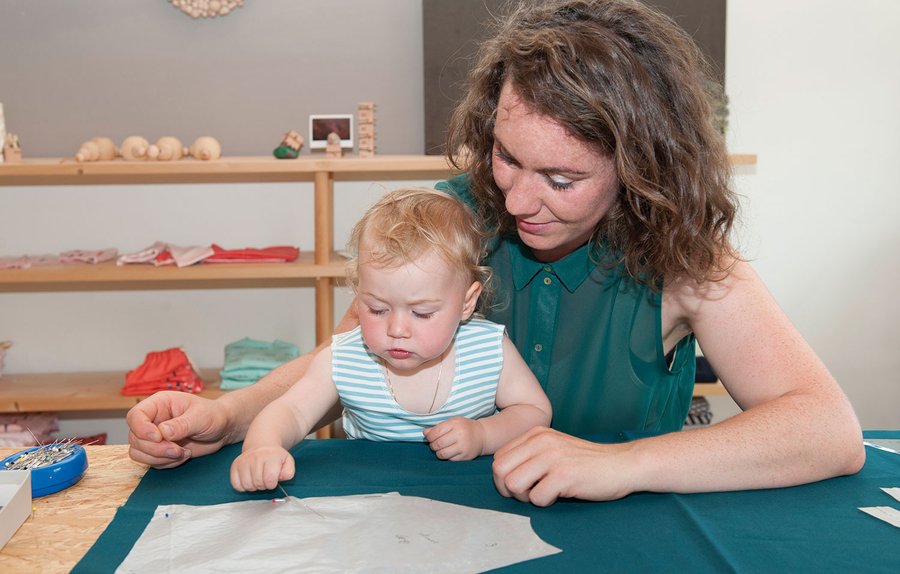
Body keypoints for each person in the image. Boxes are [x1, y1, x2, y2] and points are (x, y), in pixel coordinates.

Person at [127, 0, 864, 505]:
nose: (515, 201)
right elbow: (345, 355)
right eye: (508, 157)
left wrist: (623, 464)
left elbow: (827, 430)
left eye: (563, 178)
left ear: (641, 167)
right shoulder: (452, 214)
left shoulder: (681, 250)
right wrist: (227, 419)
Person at [229, 187, 551, 491]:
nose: (397, 329)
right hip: (368, 499)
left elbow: (535, 410)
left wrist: (483, 434)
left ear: (466, 303)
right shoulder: (344, 358)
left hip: (468, 499)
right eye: (377, 309)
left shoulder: (488, 350)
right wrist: (263, 447)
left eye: (422, 313)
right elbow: (291, 411)